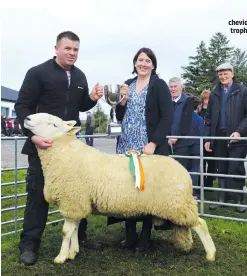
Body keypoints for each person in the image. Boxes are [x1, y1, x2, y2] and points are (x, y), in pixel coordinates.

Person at [14, 31, 103, 265]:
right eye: (68, 49)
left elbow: (79, 106)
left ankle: (79, 238)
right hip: (41, 148)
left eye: (76, 49)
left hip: (71, 149)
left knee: (78, 192)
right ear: (56, 48)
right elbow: (22, 106)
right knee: (38, 195)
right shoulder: (37, 73)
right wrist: (32, 136)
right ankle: (30, 245)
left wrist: (92, 98)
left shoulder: (80, 76)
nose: (72, 53)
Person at [107, 47, 173, 252]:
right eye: (140, 60)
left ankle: (145, 235)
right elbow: (118, 113)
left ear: (153, 65)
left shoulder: (159, 85)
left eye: (147, 61)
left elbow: (167, 117)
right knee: (126, 189)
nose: (143, 64)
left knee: (145, 190)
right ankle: (129, 233)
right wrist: (121, 102)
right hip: (126, 143)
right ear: (135, 63)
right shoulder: (127, 85)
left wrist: (154, 142)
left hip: (147, 146)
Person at [204, 62, 247, 213]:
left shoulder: (243, 91)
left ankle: (239, 200)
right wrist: (208, 138)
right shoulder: (214, 92)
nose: (223, 76)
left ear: (232, 74)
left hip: (238, 137)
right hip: (219, 137)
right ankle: (222, 199)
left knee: (236, 168)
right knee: (222, 168)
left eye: (226, 73)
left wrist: (239, 131)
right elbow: (208, 117)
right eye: (220, 74)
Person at [198, 90, 215, 188]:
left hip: (211, 139)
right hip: (201, 139)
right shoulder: (199, 111)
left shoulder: (214, 111)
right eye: (204, 99)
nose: (206, 101)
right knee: (202, 163)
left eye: (208, 99)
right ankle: (201, 183)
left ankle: (210, 183)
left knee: (212, 163)